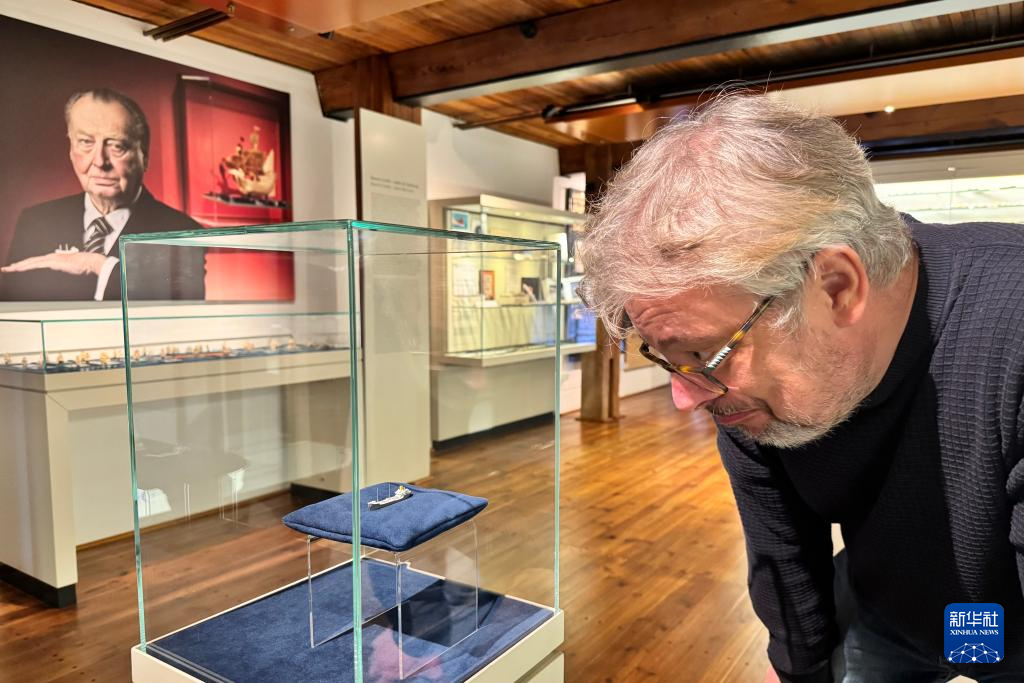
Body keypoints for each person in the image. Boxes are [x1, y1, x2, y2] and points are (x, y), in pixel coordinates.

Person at [577, 93, 1024, 682]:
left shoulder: (1012, 320)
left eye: (703, 353)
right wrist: (800, 670)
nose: (687, 397)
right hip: (886, 608)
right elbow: (782, 550)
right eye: (669, 360)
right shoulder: (740, 386)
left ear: (837, 286)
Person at [1, 88, 205, 301]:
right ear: (71, 150)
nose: (99, 161)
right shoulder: (35, 221)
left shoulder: (183, 233)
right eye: (86, 142)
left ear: (144, 157)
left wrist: (100, 266)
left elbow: (178, 315)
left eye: (117, 146)